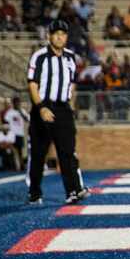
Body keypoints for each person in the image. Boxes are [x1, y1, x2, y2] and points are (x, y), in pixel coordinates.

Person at [26, 20, 89, 204]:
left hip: (63, 109)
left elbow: (73, 83)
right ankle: (34, 192)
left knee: (67, 152)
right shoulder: (39, 56)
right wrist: (41, 108)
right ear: (49, 36)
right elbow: (32, 84)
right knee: (39, 153)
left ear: (67, 37)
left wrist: (71, 104)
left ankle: (72, 191)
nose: (60, 36)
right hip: (43, 107)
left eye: (63, 33)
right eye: (56, 33)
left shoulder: (71, 57)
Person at [4, 97, 29, 170]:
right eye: (15, 102)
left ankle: (21, 166)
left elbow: (27, 119)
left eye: (18, 102)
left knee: (20, 150)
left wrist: (20, 112)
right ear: (13, 103)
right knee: (13, 150)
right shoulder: (10, 112)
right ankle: (14, 166)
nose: (17, 104)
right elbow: (6, 121)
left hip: (20, 133)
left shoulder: (22, 111)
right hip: (12, 134)